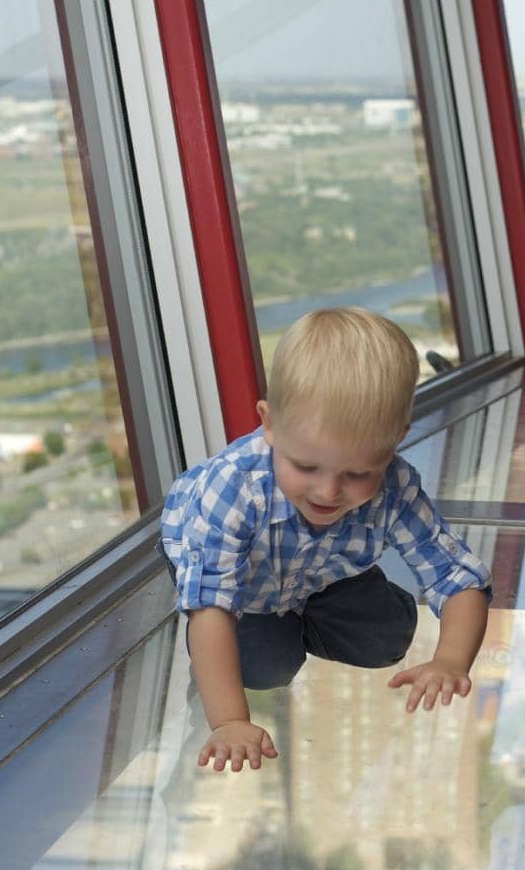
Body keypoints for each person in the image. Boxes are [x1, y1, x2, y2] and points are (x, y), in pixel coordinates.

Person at [160, 307, 491, 773]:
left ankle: (308, 602)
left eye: (358, 473)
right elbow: (211, 609)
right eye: (306, 467)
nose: (328, 492)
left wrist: (451, 660)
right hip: (242, 580)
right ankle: (286, 620)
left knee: (388, 639)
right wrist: (230, 721)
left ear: (395, 441)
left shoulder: (395, 482)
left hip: (317, 566)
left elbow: (460, 578)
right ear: (269, 424)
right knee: (266, 670)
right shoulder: (232, 489)